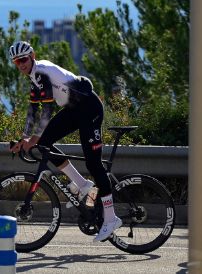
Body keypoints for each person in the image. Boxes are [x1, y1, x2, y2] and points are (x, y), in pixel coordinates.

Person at [8, 41, 121, 242]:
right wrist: (25, 137)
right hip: (73, 110)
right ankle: (82, 184)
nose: (21, 64)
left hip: (89, 110)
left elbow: (48, 109)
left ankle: (111, 219)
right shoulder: (33, 77)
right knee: (44, 143)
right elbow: (33, 110)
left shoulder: (41, 71)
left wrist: (33, 137)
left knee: (93, 164)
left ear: (32, 56)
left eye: (23, 59)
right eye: (17, 62)